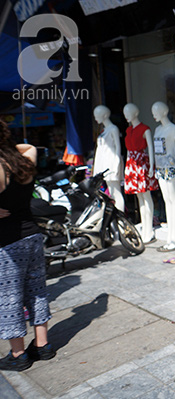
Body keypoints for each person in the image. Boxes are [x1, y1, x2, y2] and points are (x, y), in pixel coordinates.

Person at [0, 120, 55, 371]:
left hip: (8, 242)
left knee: (10, 297)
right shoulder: (26, 159)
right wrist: (8, 146)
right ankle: (42, 346)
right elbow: (29, 146)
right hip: (32, 236)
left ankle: (18, 353)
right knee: (37, 291)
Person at [123, 103, 159, 244]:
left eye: (128, 112)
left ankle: (149, 230)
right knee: (140, 198)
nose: (126, 116)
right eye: (125, 113)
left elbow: (151, 148)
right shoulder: (128, 130)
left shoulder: (145, 129)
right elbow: (128, 151)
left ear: (135, 113)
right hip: (132, 164)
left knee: (146, 196)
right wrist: (127, 166)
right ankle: (145, 228)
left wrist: (151, 167)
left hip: (142, 163)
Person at [151, 101, 175, 252]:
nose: (153, 115)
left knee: (173, 199)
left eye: (155, 111)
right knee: (166, 201)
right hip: (160, 168)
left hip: (171, 168)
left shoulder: (173, 129)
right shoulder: (157, 129)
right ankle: (170, 235)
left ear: (164, 112)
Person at [92, 105, 124, 212]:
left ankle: (122, 219)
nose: (96, 118)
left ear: (105, 115)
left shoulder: (113, 129)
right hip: (104, 166)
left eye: (98, 115)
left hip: (111, 165)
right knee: (111, 192)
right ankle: (116, 219)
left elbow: (118, 148)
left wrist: (116, 165)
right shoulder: (104, 131)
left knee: (116, 192)